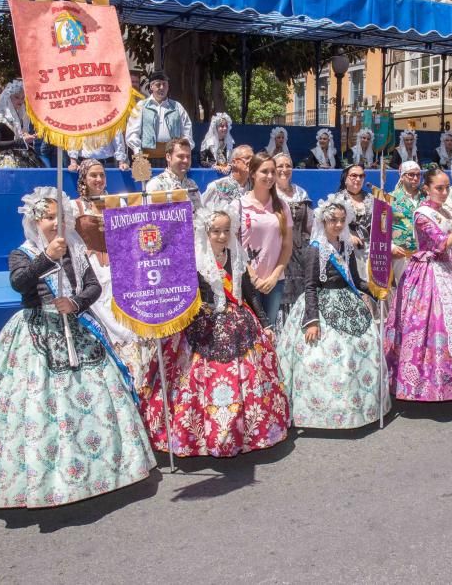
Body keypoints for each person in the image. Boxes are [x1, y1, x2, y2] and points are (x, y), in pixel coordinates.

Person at [0, 188, 155, 508]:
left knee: (95, 396)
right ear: (34, 222)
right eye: (47, 217)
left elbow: (93, 287)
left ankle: (103, 467)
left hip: (75, 328)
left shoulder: (74, 249)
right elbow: (19, 282)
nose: (54, 223)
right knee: (39, 403)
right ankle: (45, 475)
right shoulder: (22, 253)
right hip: (36, 333)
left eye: (59, 217)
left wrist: (74, 303)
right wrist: (47, 257)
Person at [139, 204, 290, 457]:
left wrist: (265, 323)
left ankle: (247, 432)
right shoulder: (192, 259)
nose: (221, 236)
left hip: (238, 324)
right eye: (216, 231)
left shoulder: (236, 255)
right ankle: (198, 436)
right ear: (205, 232)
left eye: (226, 231)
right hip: (201, 328)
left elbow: (249, 293)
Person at [385, 167, 452, 401]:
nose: (445, 192)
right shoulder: (422, 214)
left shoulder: (442, 212)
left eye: (447, 187)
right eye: (439, 188)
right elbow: (441, 243)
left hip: (450, 271)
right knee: (429, 327)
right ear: (426, 188)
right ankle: (426, 385)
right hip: (428, 274)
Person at [276, 199, 390, 428]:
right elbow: (309, 286)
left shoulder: (345, 246)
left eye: (341, 220)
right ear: (323, 221)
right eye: (333, 220)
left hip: (348, 304)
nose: (338, 225)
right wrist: (312, 321)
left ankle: (362, 406)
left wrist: (378, 290)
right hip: (321, 305)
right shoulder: (315, 249)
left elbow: (355, 281)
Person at [72, 160, 149, 383]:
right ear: (84, 179)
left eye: (102, 175)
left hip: (117, 265)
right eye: (93, 175)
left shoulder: (115, 203)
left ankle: (134, 372)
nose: (98, 180)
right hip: (91, 268)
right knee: (102, 312)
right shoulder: (75, 206)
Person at [240, 152, 293, 327]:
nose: (270, 176)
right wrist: (252, 276)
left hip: (275, 283)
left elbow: (287, 246)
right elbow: (235, 246)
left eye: (273, 171)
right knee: (249, 332)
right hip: (247, 281)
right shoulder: (239, 205)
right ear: (253, 173)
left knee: (269, 331)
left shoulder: (282, 206)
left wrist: (274, 276)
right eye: (264, 171)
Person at [125, 71, 193, 169]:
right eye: (158, 84)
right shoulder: (141, 106)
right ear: (151, 87)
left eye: (164, 85)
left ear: (168, 87)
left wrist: (184, 152)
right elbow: (132, 132)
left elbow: (187, 132)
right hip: (145, 158)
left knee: (173, 183)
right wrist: (138, 155)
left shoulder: (177, 107)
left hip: (173, 158)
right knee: (146, 184)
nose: (161, 87)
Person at [274, 152, 313, 323]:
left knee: (301, 293)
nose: (284, 169)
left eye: (288, 165)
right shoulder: (269, 193)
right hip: (277, 251)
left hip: (300, 253)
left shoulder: (300, 192)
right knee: (280, 295)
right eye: (280, 166)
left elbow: (310, 225)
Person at [0, 80, 44, 168]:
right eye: (16, 97)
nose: (20, 101)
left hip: (22, 155)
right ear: (8, 98)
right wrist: (22, 141)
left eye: (22, 98)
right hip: (4, 159)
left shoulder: (21, 117)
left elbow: (20, 137)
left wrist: (28, 138)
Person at [332, 165, 374, 281]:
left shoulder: (371, 199)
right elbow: (329, 226)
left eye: (361, 176)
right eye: (354, 175)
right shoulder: (337, 199)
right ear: (345, 179)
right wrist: (347, 236)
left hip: (369, 250)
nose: (358, 179)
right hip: (347, 248)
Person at [145, 138, 203, 209]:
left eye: (188, 157)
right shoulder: (155, 185)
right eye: (180, 156)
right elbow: (151, 216)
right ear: (168, 157)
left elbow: (200, 213)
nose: (185, 160)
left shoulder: (192, 185)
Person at [390, 161, 423, 282]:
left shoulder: (427, 197)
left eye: (418, 175)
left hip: (424, 255)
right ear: (402, 176)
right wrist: (391, 247)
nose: (415, 178)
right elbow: (381, 227)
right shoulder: (390, 198)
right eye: (411, 174)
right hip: (401, 256)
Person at [202, 144, 253, 208]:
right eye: (247, 158)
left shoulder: (255, 187)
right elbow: (202, 210)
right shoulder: (217, 187)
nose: (251, 161)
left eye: (253, 159)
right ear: (234, 162)